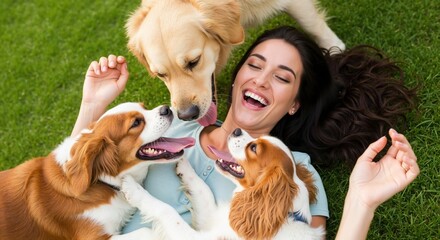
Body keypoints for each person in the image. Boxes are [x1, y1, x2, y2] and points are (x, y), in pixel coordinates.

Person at [72, 26, 419, 238]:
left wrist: (361, 201)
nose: (261, 80)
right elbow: (74, 184)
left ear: (295, 103)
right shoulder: (171, 126)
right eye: (254, 65)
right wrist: (91, 107)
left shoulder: (295, 172)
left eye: (282, 78)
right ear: (236, 77)